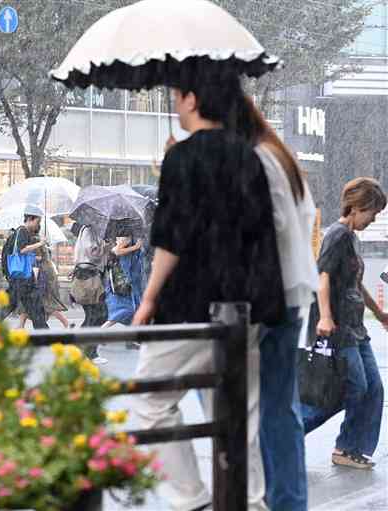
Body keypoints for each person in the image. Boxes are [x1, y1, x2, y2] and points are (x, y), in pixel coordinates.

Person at [130, 76, 286, 511]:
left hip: (191, 304)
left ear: (192, 99)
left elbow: (171, 236)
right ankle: (250, 503)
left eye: (177, 97)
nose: (176, 105)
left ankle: (191, 499)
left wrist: (148, 298)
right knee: (239, 414)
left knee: (150, 400)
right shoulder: (250, 157)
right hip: (247, 305)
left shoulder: (183, 157)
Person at [236, 97, 319, 510]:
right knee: (277, 405)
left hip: (267, 295)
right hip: (291, 294)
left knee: (250, 405)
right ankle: (285, 499)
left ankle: (274, 498)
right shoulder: (282, 158)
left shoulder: (257, 159)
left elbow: (266, 229)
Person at [302, 177, 387, 470]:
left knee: (373, 389)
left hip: (355, 327)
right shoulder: (337, 235)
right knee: (346, 389)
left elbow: (355, 282)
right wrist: (325, 316)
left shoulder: (351, 238)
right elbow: (322, 276)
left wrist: (378, 313)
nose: (373, 219)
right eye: (372, 212)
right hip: (336, 327)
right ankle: (285, 434)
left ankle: (351, 448)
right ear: (356, 206)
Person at [0, 212, 49, 329]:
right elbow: (22, 250)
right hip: (22, 278)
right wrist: (40, 243)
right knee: (28, 305)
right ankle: (43, 331)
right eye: (38, 222)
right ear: (30, 219)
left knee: (33, 306)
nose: (38, 225)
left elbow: (23, 253)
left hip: (23, 278)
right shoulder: (22, 231)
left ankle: (43, 331)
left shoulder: (23, 232)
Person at [71, 222, 108, 357]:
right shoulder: (88, 230)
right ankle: (90, 352)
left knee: (96, 315)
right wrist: (105, 246)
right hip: (88, 276)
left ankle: (81, 344)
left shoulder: (92, 230)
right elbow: (92, 253)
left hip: (91, 276)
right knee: (97, 315)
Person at [19, 245, 70, 329]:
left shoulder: (40, 263)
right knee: (24, 307)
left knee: (49, 308)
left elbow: (36, 276)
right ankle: (21, 325)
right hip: (42, 289)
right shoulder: (46, 263)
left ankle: (66, 323)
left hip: (42, 290)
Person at [102, 235, 145, 329]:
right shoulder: (127, 234)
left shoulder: (133, 235)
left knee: (132, 311)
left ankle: (134, 338)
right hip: (125, 283)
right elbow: (116, 251)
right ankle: (99, 333)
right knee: (124, 311)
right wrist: (136, 247)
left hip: (132, 281)